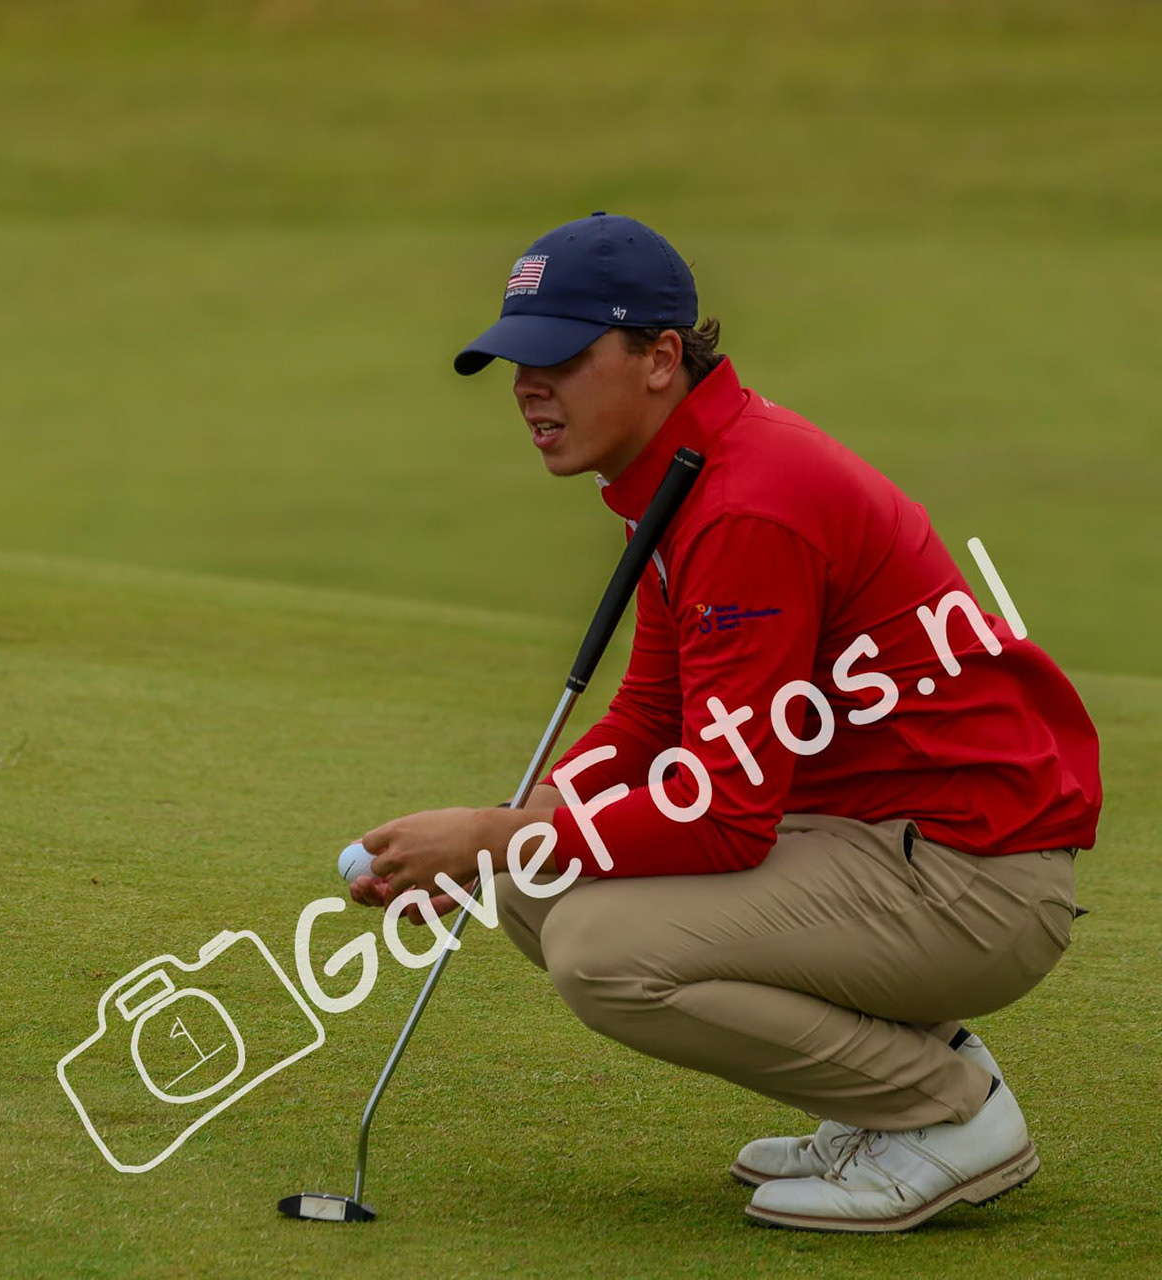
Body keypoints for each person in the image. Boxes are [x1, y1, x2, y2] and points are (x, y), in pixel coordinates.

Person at [347, 212, 1102, 1233]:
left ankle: (947, 1112)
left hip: (976, 878)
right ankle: (897, 1092)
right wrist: (509, 832)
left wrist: (491, 834)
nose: (530, 386)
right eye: (518, 359)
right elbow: (654, 713)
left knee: (598, 949)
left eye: (561, 357)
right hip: (884, 845)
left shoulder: (747, 501)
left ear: (661, 358)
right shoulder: (687, 468)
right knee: (536, 881)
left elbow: (728, 813)